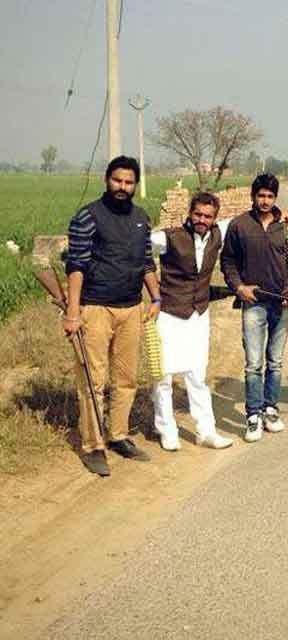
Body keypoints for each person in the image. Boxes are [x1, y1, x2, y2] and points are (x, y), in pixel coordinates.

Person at [63, 155, 160, 476]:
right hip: (95, 308)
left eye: (129, 182)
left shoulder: (141, 218)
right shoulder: (88, 216)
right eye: (117, 180)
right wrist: (73, 313)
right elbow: (76, 265)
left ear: (135, 185)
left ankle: (118, 435)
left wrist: (156, 297)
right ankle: (93, 445)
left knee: (126, 378)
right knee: (93, 380)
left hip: (131, 308)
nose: (122, 186)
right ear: (107, 180)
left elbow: (147, 262)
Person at [221, 174, 288, 442]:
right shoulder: (239, 225)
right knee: (253, 364)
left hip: (281, 302)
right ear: (253, 196)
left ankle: (270, 409)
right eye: (261, 196)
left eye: (270, 196)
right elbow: (228, 262)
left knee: (275, 362)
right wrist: (239, 287)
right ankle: (253, 415)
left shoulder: (287, 226)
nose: (265, 201)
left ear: (275, 198)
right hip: (253, 303)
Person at [150, 192, 235, 451]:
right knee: (163, 375)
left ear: (214, 218)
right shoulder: (167, 237)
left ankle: (206, 431)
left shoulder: (218, 233)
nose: (202, 220)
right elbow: (136, 249)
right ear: (190, 213)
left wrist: (279, 213)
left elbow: (246, 219)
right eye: (197, 214)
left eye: (208, 216)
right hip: (169, 313)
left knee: (197, 374)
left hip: (199, 314)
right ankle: (167, 429)